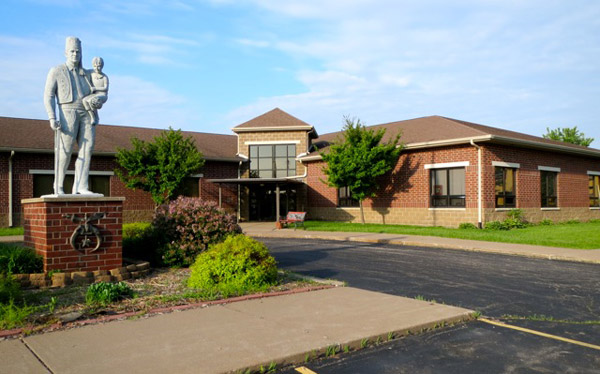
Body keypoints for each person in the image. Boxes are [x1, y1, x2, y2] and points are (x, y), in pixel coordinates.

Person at [43, 36, 100, 195]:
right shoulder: (56, 71)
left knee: (86, 149)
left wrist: (97, 101)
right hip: (67, 111)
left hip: (87, 112)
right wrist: (52, 117)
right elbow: (48, 96)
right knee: (65, 149)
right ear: (66, 53)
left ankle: (81, 186)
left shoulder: (87, 74)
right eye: (72, 51)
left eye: (78, 52)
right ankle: (58, 185)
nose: (75, 54)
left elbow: (100, 92)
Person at [82, 56, 109, 125]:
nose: (97, 68)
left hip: (102, 95)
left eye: (99, 66)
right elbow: (83, 71)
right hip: (94, 94)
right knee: (84, 100)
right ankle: (92, 116)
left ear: (102, 66)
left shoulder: (104, 77)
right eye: (95, 66)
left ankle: (96, 117)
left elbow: (105, 88)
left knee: (94, 101)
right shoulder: (91, 72)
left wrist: (95, 88)